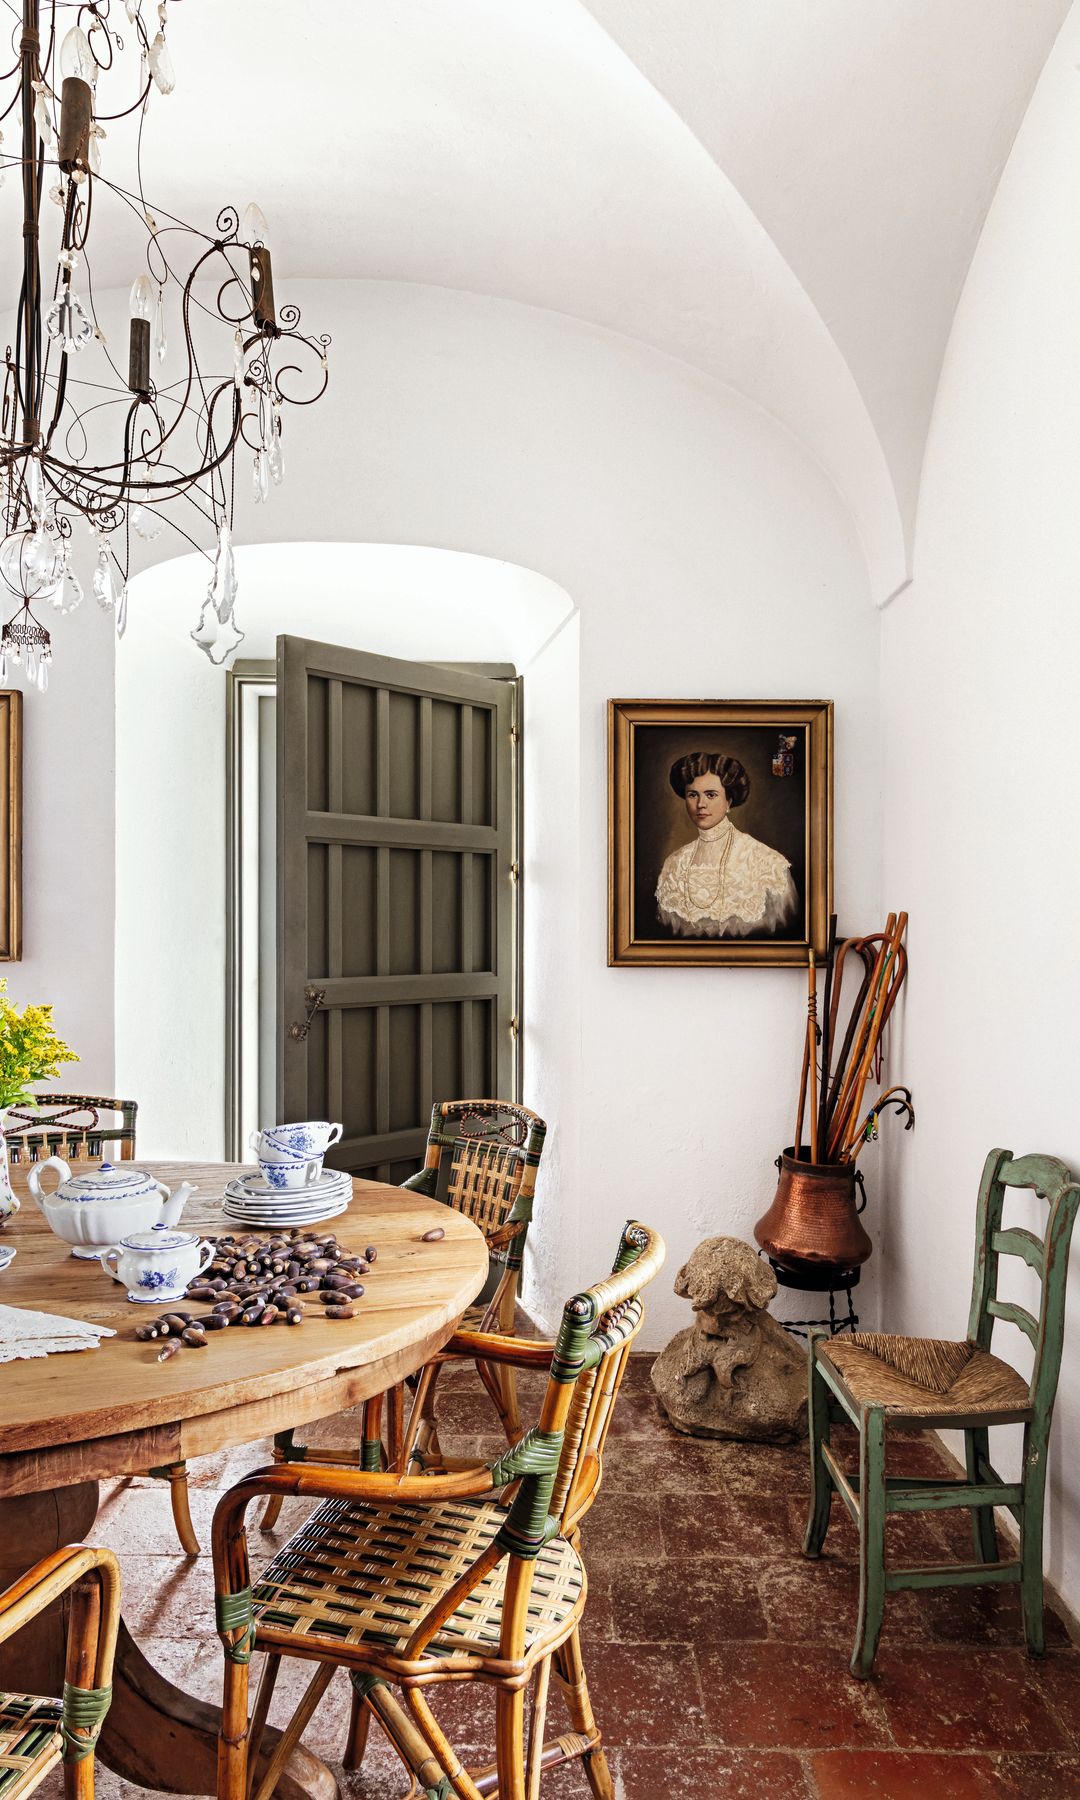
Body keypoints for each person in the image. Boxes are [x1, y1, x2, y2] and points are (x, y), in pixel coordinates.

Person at [656, 751, 797, 938]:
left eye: (711, 795)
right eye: (692, 795)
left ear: (728, 802)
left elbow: (786, 930)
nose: (700, 804)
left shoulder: (766, 862)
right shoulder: (674, 864)